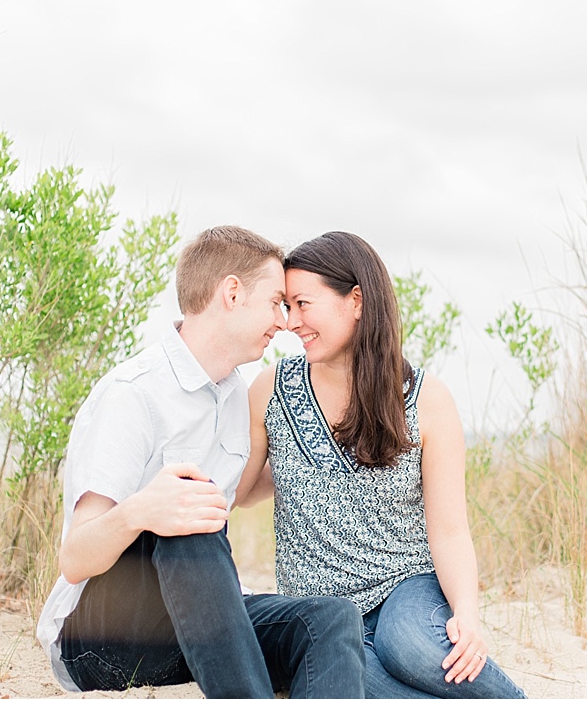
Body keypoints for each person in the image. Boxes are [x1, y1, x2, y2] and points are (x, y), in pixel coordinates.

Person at [35, 225, 365, 699]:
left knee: (331, 619)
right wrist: (145, 509)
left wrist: (337, 453)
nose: (285, 320)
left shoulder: (236, 396)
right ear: (232, 293)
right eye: (276, 301)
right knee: (190, 513)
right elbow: (74, 557)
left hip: (200, 624)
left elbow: (246, 487)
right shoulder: (134, 394)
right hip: (98, 640)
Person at [236, 231, 526, 699]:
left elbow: (449, 530)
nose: (291, 322)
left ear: (356, 300)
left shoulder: (426, 398)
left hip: (406, 589)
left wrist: (467, 616)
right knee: (358, 680)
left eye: (303, 303)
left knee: (409, 645)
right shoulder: (270, 390)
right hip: (322, 611)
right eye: (286, 306)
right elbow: (240, 489)